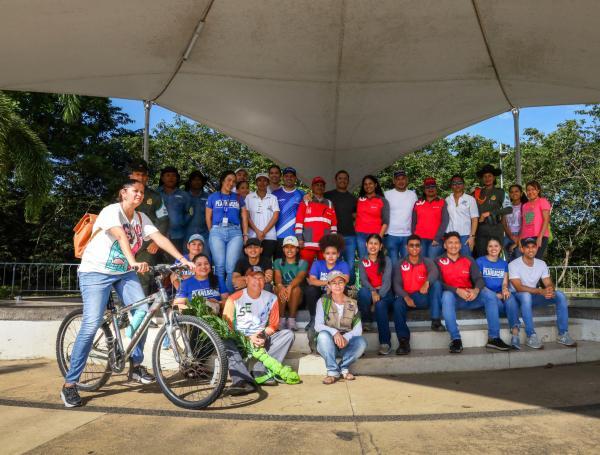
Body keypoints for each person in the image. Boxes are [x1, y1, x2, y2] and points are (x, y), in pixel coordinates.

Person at [60, 179, 195, 408]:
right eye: (135, 191)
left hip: (123, 273)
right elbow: (121, 236)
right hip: (96, 272)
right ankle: (70, 384)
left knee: (143, 312)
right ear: (123, 193)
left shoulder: (141, 218)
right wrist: (133, 261)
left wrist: (183, 260)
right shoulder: (111, 211)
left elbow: (160, 238)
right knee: (92, 323)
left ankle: (135, 364)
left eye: (142, 192)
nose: (140, 195)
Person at [222, 266, 295, 395]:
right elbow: (226, 327)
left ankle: (260, 370)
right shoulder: (234, 299)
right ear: (246, 280)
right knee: (226, 340)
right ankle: (241, 381)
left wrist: (262, 335)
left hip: (261, 338)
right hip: (240, 338)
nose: (257, 281)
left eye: (260, 278)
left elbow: (273, 325)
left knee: (288, 335)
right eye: (253, 278)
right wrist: (248, 338)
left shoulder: (271, 298)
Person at [438, 232, 511, 354]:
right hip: (452, 300)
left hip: (470, 296)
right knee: (446, 296)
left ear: (460, 246)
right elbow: (437, 283)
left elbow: (479, 279)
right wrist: (456, 290)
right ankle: (456, 339)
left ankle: (494, 338)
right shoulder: (438, 260)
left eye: (456, 242)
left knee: (489, 294)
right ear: (445, 245)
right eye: (450, 242)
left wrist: (476, 290)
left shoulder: (468, 259)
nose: (453, 245)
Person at [509, 237, 576, 349]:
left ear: (537, 248)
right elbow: (519, 287)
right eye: (527, 247)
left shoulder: (541, 264)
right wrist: (541, 291)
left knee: (559, 295)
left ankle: (563, 334)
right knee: (525, 296)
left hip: (533, 296)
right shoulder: (513, 264)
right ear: (522, 249)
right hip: (517, 297)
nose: (531, 250)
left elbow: (548, 283)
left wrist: (549, 290)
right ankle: (531, 336)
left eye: (533, 247)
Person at [392, 235, 444, 354]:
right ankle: (404, 341)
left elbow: (434, 272)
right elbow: (396, 284)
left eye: (417, 245)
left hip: (423, 298)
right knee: (397, 304)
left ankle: (435, 320)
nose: (414, 248)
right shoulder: (400, 263)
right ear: (406, 247)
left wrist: (427, 283)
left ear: (420, 247)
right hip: (407, 298)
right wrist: (405, 296)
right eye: (411, 245)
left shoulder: (427, 261)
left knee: (436, 284)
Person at [315, 271, 367, 384]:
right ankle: (333, 372)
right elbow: (317, 326)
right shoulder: (323, 302)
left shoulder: (353, 304)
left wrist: (346, 338)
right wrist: (334, 333)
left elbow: (358, 330)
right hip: (328, 344)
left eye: (340, 282)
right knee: (323, 335)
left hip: (345, 344)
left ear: (344, 284)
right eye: (333, 283)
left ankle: (343, 367)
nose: (337, 286)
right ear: (328, 285)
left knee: (361, 342)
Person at [128, 159, 170, 295]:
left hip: (146, 245)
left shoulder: (155, 197)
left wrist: (155, 242)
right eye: (137, 174)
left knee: (143, 278)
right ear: (131, 176)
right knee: (122, 276)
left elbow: (164, 220)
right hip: (125, 242)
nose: (141, 178)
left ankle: (141, 312)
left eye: (144, 175)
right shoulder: (122, 194)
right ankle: (122, 312)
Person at [206, 170, 249, 294]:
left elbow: (244, 216)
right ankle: (222, 294)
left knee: (231, 267)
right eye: (229, 180)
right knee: (219, 266)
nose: (231, 183)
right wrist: (212, 231)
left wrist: (245, 234)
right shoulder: (213, 197)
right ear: (222, 181)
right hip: (217, 231)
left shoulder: (238, 197)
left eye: (234, 181)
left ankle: (229, 294)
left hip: (235, 232)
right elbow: (208, 217)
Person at [304, 234, 350, 349]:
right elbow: (312, 281)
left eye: (334, 253)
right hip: (320, 293)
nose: (330, 256)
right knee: (310, 290)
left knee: (344, 291)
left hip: (335, 294)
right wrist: (329, 283)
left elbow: (345, 279)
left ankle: (340, 321)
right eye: (328, 253)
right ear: (323, 254)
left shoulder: (343, 264)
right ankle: (313, 318)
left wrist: (333, 287)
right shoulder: (317, 264)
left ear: (338, 254)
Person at [475, 238, 520, 349]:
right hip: (484, 293)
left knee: (510, 297)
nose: (493, 248)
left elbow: (505, 282)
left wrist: (505, 289)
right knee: (494, 300)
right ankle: (493, 338)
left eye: (496, 246)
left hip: (499, 296)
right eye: (490, 246)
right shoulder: (480, 261)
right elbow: (479, 282)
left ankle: (515, 335)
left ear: (500, 248)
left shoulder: (504, 263)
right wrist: (494, 295)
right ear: (487, 248)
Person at [295, 176, 338, 268]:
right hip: (307, 243)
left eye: (321, 185)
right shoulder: (306, 201)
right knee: (304, 269)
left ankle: (322, 283)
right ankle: (304, 283)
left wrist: (333, 240)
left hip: (324, 244)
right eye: (317, 185)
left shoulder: (329, 203)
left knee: (325, 269)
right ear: (312, 187)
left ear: (324, 188)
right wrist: (299, 238)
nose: (319, 187)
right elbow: (299, 222)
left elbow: (333, 224)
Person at [324, 170, 358, 286]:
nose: (342, 180)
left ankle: (350, 288)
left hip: (350, 236)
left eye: (345, 179)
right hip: (334, 237)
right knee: (334, 265)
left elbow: (357, 217)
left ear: (348, 181)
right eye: (340, 178)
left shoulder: (353, 198)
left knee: (350, 265)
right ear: (336, 180)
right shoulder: (327, 196)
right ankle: (334, 290)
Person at [472, 164, 512, 258]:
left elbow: (509, 209)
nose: (487, 178)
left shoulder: (500, 192)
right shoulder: (476, 193)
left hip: (496, 229)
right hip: (480, 230)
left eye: (489, 176)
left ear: (494, 177)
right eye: (485, 176)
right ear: (482, 179)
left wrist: (490, 213)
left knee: (495, 257)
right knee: (481, 257)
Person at [357, 234, 393, 336]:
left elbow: (387, 282)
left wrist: (378, 295)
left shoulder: (387, 260)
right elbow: (363, 280)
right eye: (371, 243)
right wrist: (373, 291)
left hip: (385, 291)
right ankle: (367, 321)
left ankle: (385, 342)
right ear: (366, 244)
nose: (373, 246)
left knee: (379, 304)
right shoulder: (362, 261)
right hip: (370, 291)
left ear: (381, 246)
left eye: (376, 244)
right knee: (363, 292)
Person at [384, 169, 418, 269]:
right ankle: (395, 284)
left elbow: (416, 214)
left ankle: (405, 285)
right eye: (398, 179)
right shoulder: (387, 194)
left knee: (407, 264)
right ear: (394, 181)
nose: (401, 181)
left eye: (403, 179)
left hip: (407, 235)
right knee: (394, 265)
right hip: (391, 235)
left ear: (407, 180)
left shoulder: (413, 195)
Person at [273, 236, 308, 331]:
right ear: (283, 249)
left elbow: (299, 277)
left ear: (297, 249)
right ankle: (281, 319)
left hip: (296, 298)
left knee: (295, 289)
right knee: (277, 288)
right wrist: (281, 286)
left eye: (292, 247)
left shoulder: (302, 262)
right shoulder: (277, 262)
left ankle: (292, 320)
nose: (289, 250)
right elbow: (278, 278)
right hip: (282, 297)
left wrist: (290, 287)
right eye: (286, 247)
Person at [246, 172, 280, 260]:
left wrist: (263, 232)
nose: (262, 183)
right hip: (252, 236)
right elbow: (246, 217)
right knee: (253, 262)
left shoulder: (273, 198)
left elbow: (275, 216)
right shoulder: (249, 197)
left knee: (266, 262)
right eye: (259, 180)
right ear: (256, 182)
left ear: (268, 183)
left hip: (270, 236)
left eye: (265, 180)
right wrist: (257, 232)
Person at [159, 166, 192, 256]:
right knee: (158, 266)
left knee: (176, 264)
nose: (171, 178)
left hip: (178, 235)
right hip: (159, 235)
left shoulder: (184, 195)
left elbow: (190, 211)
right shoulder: (156, 194)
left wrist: (182, 222)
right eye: (168, 175)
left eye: (174, 176)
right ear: (162, 178)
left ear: (177, 178)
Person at [412, 177, 449, 259]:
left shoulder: (442, 202)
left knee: (432, 263)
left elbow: (445, 221)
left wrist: (437, 238)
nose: (430, 189)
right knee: (422, 263)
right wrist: (414, 237)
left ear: (436, 188)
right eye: (427, 187)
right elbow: (413, 222)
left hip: (436, 240)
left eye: (433, 186)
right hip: (420, 239)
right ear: (424, 190)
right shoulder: (418, 203)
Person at [355, 175, 390, 260]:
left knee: (375, 261)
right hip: (360, 236)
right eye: (365, 184)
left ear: (375, 185)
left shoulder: (382, 200)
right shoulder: (359, 200)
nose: (368, 186)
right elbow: (354, 215)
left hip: (375, 236)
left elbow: (386, 222)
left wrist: (379, 238)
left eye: (370, 183)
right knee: (363, 260)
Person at [273, 167, 304, 258]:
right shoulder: (275, 194)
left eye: (291, 176)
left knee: (294, 266)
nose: (289, 178)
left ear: (295, 178)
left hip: (295, 235)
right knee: (278, 264)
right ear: (283, 178)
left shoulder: (302, 194)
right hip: (278, 235)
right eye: (286, 176)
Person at [445, 175, 479, 257]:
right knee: (451, 261)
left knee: (466, 261)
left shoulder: (470, 199)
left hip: (465, 236)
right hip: (450, 236)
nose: (457, 185)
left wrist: (472, 237)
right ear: (451, 186)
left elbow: (474, 219)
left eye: (459, 183)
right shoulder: (447, 200)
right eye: (454, 183)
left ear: (463, 185)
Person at [519, 181, 552, 259]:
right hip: (525, 237)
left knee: (536, 261)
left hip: (539, 236)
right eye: (528, 190)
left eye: (533, 189)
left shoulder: (543, 201)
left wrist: (540, 237)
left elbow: (546, 220)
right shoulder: (524, 205)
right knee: (526, 262)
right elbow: (523, 223)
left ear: (538, 190)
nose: (530, 192)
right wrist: (520, 239)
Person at [184, 170, 211, 259]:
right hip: (187, 233)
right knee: (188, 259)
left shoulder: (209, 197)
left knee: (205, 258)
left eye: (199, 180)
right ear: (190, 182)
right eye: (194, 180)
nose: (197, 182)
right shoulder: (184, 196)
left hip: (205, 234)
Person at [502, 184, 527, 261]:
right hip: (508, 236)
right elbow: (504, 223)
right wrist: (511, 236)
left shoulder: (525, 206)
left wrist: (518, 239)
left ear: (521, 193)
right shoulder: (506, 206)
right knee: (509, 261)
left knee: (519, 260)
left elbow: (526, 223)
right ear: (509, 194)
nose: (514, 193)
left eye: (516, 191)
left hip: (522, 236)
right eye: (511, 192)